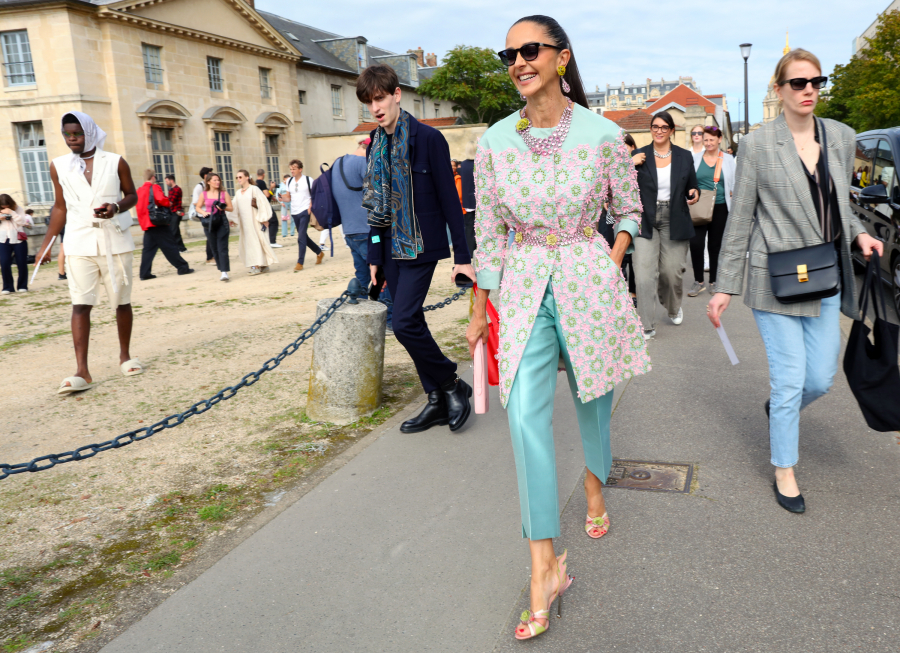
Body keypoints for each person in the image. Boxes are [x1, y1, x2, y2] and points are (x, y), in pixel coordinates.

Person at [466, 16, 650, 641]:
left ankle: (595, 487)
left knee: (593, 397)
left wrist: (611, 257)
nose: (518, 61)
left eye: (530, 50)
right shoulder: (492, 142)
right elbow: (487, 230)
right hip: (521, 284)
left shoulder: (603, 135)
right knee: (522, 415)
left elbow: (628, 207)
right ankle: (544, 565)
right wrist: (476, 312)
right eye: (509, 53)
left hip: (586, 276)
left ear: (561, 58)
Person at [708, 48, 883, 514]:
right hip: (777, 276)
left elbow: (841, 202)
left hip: (825, 273)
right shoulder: (759, 144)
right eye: (798, 83)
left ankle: (779, 411)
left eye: (816, 82)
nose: (809, 91)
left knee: (821, 378)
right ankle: (785, 468)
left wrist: (862, 233)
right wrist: (725, 284)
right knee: (789, 380)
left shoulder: (842, 138)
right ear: (779, 89)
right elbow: (741, 217)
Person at [358, 63, 474, 433]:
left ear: (396, 95)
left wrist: (463, 258)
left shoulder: (427, 139)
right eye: (369, 102)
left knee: (404, 321)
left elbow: (450, 204)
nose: (375, 108)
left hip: (422, 246)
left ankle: (453, 383)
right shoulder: (374, 146)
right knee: (412, 321)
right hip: (390, 248)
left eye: (380, 98)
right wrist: (374, 258)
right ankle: (437, 398)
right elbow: (376, 211)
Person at [33, 111, 142, 394]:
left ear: (90, 133)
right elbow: (60, 207)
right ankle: (82, 370)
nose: (71, 140)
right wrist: (46, 244)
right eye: (67, 134)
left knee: (121, 301)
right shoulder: (58, 165)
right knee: (80, 303)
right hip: (79, 242)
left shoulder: (115, 161)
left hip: (115, 241)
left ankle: (125, 356)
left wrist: (115, 207)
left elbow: (132, 195)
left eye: (77, 134)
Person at [631, 110, 700, 338]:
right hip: (644, 219)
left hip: (674, 217)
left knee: (671, 273)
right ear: (651, 129)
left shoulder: (684, 156)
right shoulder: (639, 156)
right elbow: (618, 184)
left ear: (671, 130)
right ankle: (647, 324)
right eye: (655, 126)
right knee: (643, 275)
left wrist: (694, 192)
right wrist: (629, 165)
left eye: (664, 127)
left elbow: (693, 185)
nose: (659, 131)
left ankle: (672, 307)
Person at [688, 126, 735, 296]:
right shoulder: (694, 158)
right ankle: (698, 281)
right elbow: (688, 180)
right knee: (696, 243)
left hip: (721, 206)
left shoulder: (728, 159)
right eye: (705, 139)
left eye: (711, 140)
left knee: (715, 246)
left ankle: (714, 281)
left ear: (719, 139)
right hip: (698, 205)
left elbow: (734, 182)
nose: (708, 143)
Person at [136, 170, 193, 281]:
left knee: (148, 249)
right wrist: (168, 202)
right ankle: (182, 267)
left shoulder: (139, 190)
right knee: (170, 246)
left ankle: (144, 273)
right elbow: (161, 200)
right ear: (153, 177)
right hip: (157, 222)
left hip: (147, 222)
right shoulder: (155, 187)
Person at [332, 136, 372, 292]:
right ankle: (388, 313)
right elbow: (374, 195)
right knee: (382, 273)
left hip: (348, 231)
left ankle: (360, 308)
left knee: (362, 275)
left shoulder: (338, 163)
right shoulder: (363, 163)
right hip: (367, 230)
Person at [233, 169, 277, 276]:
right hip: (245, 222)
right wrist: (231, 218)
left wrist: (264, 218)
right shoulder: (238, 193)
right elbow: (234, 207)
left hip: (255, 220)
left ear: (247, 177)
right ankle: (262, 264)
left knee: (258, 241)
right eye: (237, 177)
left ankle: (256, 265)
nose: (239, 179)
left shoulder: (254, 189)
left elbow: (263, 203)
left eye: (240, 177)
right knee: (249, 242)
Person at [282, 159, 324, 271]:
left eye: (294, 169)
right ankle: (319, 252)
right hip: (294, 212)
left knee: (301, 237)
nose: (292, 171)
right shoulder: (289, 181)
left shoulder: (308, 180)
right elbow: (288, 197)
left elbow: (314, 194)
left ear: (300, 169)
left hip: (305, 210)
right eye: (291, 169)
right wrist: (282, 198)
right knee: (303, 236)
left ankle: (300, 263)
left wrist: (310, 207)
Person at [194, 173, 233, 281]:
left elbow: (231, 208)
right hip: (209, 223)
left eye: (218, 180)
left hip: (222, 222)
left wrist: (223, 208)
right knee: (214, 248)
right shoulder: (204, 194)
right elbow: (197, 207)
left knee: (222, 247)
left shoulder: (224, 194)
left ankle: (224, 272)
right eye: (215, 180)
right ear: (208, 182)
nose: (217, 182)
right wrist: (203, 212)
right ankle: (221, 269)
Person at [0, 194, 29, 294]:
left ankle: (22, 285)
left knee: (21, 262)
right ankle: (8, 287)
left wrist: (12, 213)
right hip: (3, 239)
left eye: (7, 206)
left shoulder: (18, 209)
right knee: (4, 263)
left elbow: (22, 222)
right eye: (3, 207)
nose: (5, 208)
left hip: (18, 239)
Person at [188, 166, 215, 265]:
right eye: (210, 173)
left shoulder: (209, 185)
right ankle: (210, 257)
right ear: (205, 175)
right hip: (203, 213)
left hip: (210, 212)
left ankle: (213, 256)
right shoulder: (199, 187)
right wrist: (208, 203)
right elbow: (195, 202)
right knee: (210, 234)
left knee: (211, 234)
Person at [458, 141, 477, 255]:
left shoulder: (462, 166)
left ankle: (470, 251)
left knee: (469, 227)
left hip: (467, 201)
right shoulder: (480, 163)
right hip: (480, 200)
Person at [255, 168, 281, 248]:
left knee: (265, 223)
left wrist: (271, 195)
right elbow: (267, 195)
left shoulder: (255, 183)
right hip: (265, 206)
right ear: (264, 175)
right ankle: (272, 241)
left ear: (257, 175)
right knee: (274, 221)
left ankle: (264, 241)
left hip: (258, 206)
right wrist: (271, 188)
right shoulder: (261, 182)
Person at [163, 174, 187, 252]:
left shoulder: (177, 189)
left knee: (174, 230)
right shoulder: (170, 190)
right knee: (175, 230)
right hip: (172, 212)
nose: (166, 183)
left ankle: (179, 248)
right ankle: (181, 248)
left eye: (167, 181)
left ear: (171, 180)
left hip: (177, 212)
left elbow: (171, 201)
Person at [275, 174, 295, 238]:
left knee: (293, 216)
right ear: (284, 179)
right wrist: (281, 202)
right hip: (284, 201)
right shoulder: (281, 185)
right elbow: (277, 194)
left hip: (291, 201)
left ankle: (292, 232)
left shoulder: (291, 184)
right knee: (284, 217)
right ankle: (284, 233)